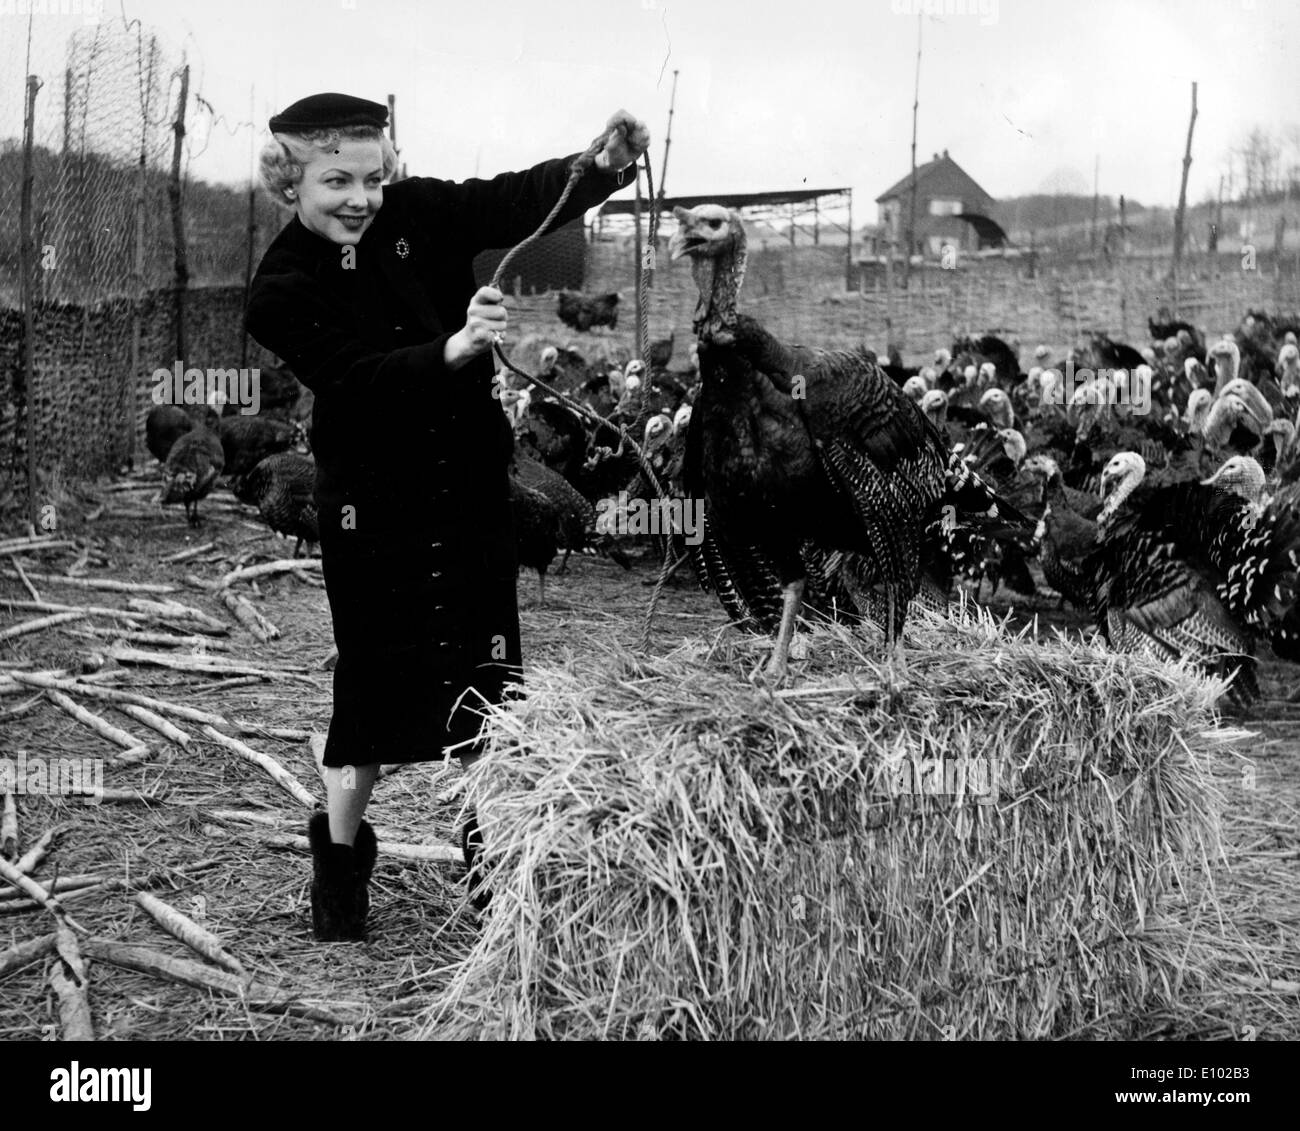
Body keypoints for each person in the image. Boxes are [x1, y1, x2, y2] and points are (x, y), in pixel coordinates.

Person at [245, 92, 649, 941]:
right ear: (290, 181)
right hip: (372, 505)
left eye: (372, 176)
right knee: (369, 704)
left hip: (467, 488)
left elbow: (512, 198)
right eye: (335, 181)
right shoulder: (279, 288)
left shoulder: (420, 212)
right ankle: (340, 864)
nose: (360, 197)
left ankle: (493, 859)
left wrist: (597, 169)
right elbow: (355, 379)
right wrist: (455, 350)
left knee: (487, 690)